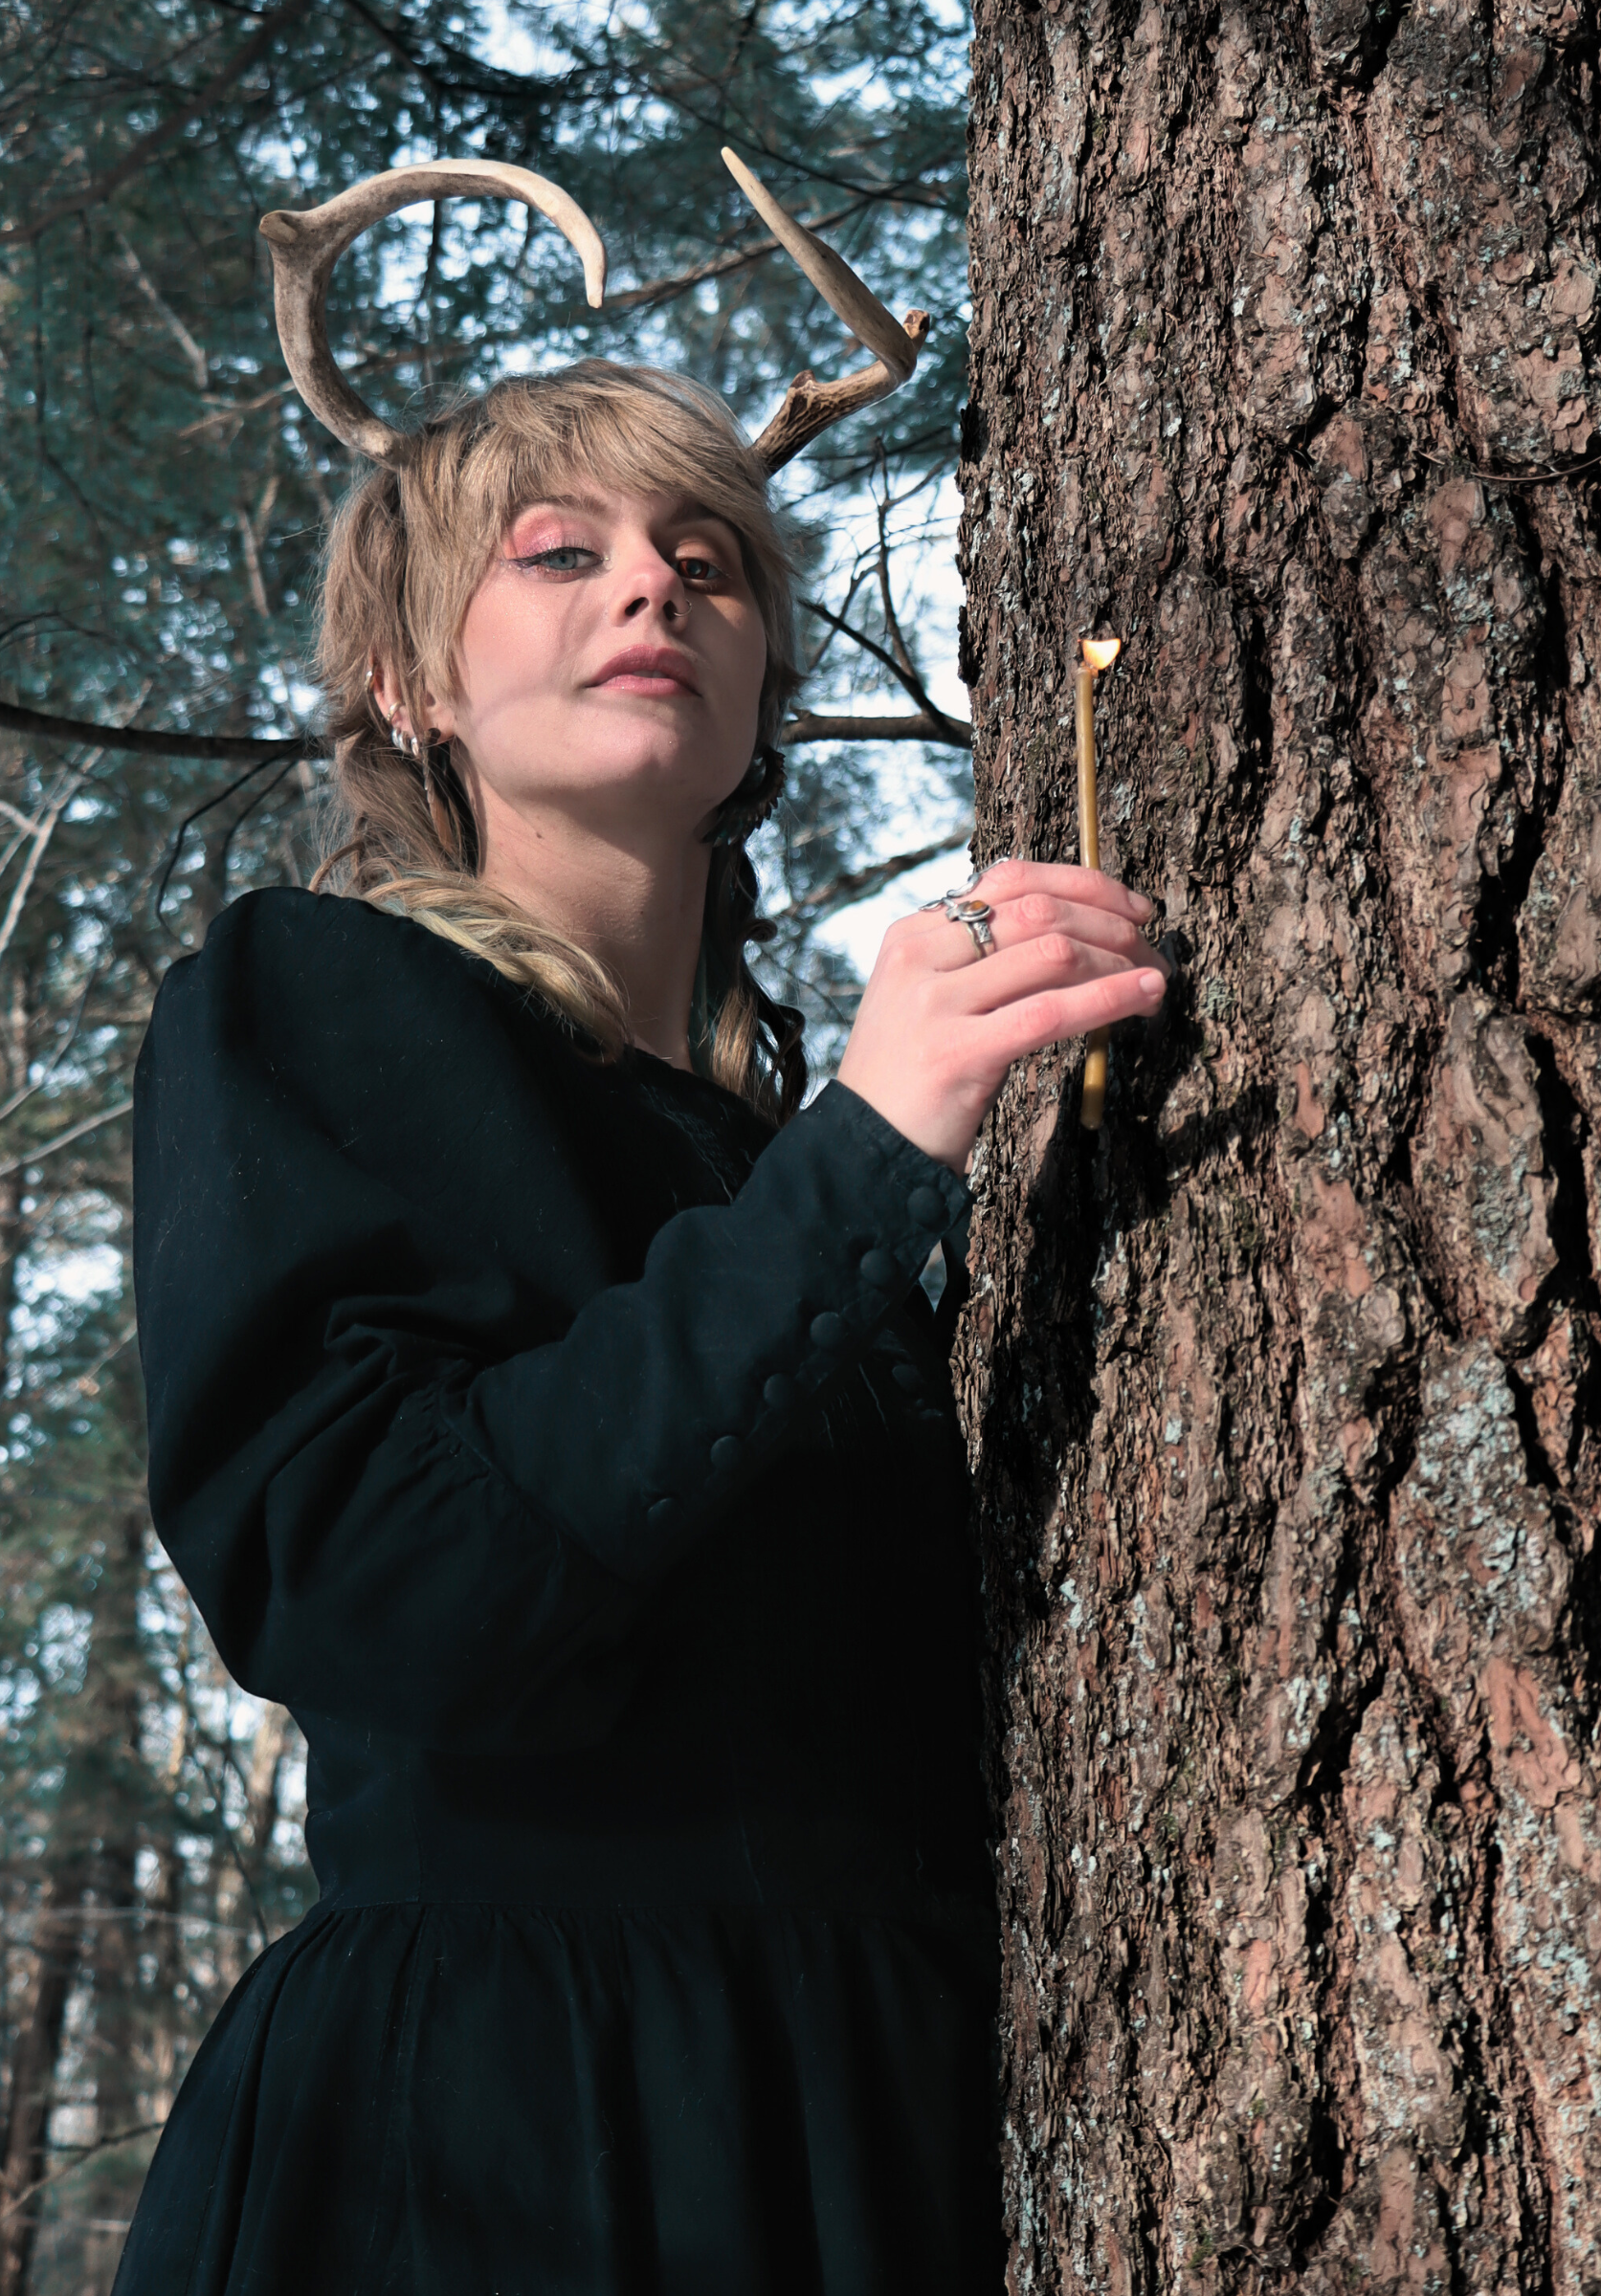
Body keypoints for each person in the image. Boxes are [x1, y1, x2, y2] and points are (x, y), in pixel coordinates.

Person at [113, 166, 1168, 2296]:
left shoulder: (794, 1140)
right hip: (502, 2141)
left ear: (767, 688)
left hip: (889, 2122)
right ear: (411, 682)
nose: (654, 593)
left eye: (710, 566)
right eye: (560, 556)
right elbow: (387, 1585)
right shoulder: (310, 1001)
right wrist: (873, 1149)